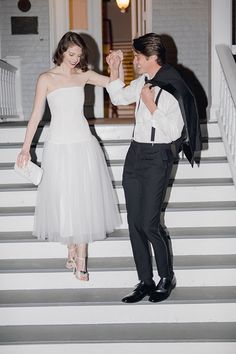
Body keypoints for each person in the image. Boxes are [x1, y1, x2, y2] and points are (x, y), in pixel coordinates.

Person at [16, 31, 121, 281]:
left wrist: (115, 67)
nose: (75, 59)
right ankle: (70, 245)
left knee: (83, 199)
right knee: (64, 200)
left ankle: (81, 260)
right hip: (58, 144)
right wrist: (25, 147)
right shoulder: (46, 78)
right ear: (62, 50)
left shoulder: (84, 75)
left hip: (83, 143)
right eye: (71, 54)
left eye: (79, 55)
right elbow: (36, 115)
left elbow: (114, 86)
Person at [106, 33, 201, 303]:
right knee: (135, 224)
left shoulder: (174, 87)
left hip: (158, 157)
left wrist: (151, 106)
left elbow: (173, 132)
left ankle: (166, 277)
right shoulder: (142, 81)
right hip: (134, 154)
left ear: (152, 58)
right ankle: (145, 281)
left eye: (137, 56)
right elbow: (119, 99)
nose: (134, 60)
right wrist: (114, 71)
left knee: (149, 224)